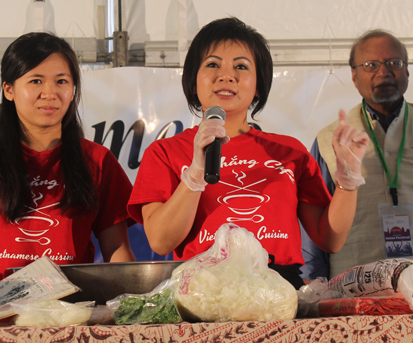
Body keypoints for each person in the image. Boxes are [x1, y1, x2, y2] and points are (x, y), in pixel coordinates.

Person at [127, 17, 369, 290]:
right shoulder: (165, 152)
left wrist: (347, 181)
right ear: (194, 79)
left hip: (279, 288)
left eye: (241, 66)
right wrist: (195, 175)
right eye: (212, 64)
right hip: (202, 289)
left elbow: (329, 238)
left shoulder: (290, 151)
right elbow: (160, 241)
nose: (227, 75)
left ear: (259, 83)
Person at [0, 32, 135, 318]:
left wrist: (130, 308)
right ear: (9, 89)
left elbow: (116, 248)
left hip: (71, 320)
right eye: (35, 81)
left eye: (61, 81)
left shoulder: (97, 160)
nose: (50, 93)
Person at [301, 29, 413, 280]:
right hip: (354, 290)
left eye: (394, 63)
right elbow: (313, 229)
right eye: (371, 65)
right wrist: (313, 290)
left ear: (407, 70)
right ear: (354, 75)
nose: (383, 72)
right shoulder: (331, 139)